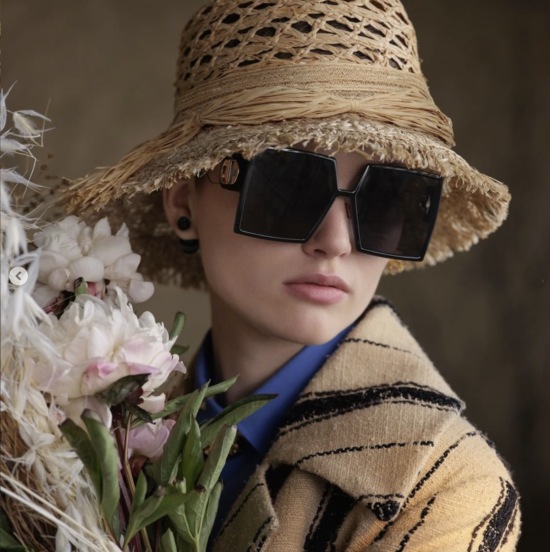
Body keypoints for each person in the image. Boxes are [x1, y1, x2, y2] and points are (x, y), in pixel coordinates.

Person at [56, 1, 521, 550]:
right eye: (289, 186)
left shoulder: (447, 490)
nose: (336, 241)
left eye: (384, 198)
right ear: (183, 203)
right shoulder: (86, 434)